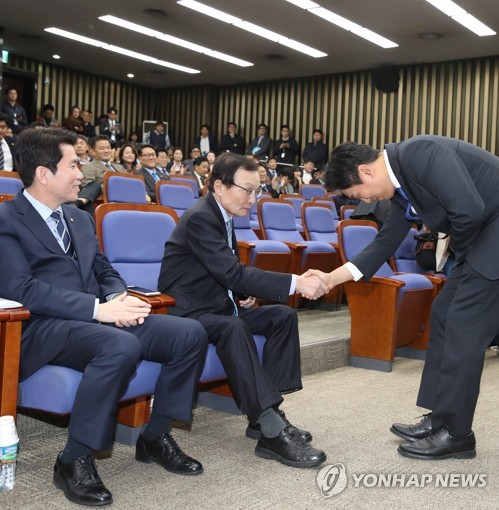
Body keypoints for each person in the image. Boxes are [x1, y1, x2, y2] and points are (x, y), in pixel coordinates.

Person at [0, 128, 209, 506]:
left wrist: (118, 297)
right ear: (44, 174)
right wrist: (99, 310)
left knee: (188, 334)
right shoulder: (6, 218)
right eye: (73, 164)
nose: (81, 173)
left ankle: (155, 436)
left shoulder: (79, 218)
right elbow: (22, 289)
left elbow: (103, 267)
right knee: (119, 344)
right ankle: (73, 458)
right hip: (42, 328)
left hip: (95, 320)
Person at [308, 135, 499, 461]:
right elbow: (381, 246)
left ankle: (456, 434)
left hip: (490, 237)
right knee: (442, 313)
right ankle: (441, 417)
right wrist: (331, 278)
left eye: (357, 195)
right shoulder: (402, 186)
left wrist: (464, 257)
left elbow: (469, 211)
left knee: (462, 327)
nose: (363, 201)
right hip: (482, 240)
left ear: (366, 172)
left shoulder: (420, 154)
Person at [158, 152, 328, 469]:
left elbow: (225, 272)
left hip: (218, 305)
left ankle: (266, 417)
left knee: (282, 316)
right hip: (188, 314)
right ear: (219, 186)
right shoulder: (200, 218)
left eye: (256, 191)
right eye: (246, 190)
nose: (252, 199)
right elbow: (231, 272)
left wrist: (240, 293)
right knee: (234, 327)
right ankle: (271, 432)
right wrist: (295, 282)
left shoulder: (223, 216)